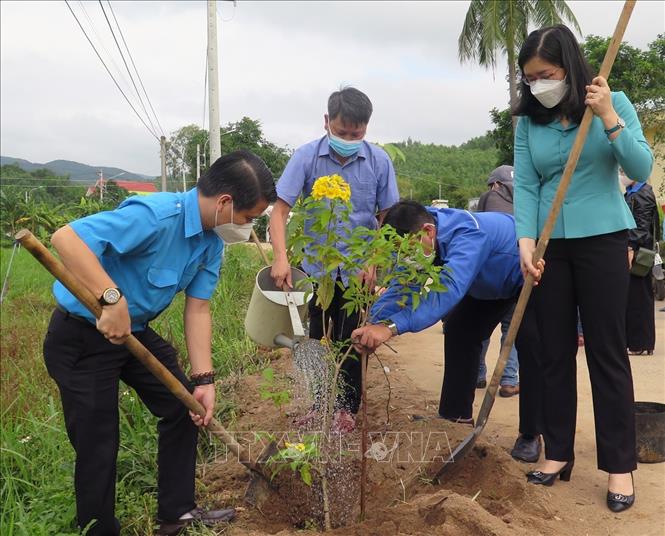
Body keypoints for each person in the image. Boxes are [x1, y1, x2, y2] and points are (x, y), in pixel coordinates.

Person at [44, 151, 276, 535]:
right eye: (248, 218)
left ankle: (176, 512)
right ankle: (98, 529)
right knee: (99, 440)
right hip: (81, 336)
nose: (247, 227)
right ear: (224, 202)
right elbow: (65, 238)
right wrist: (111, 297)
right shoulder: (155, 216)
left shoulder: (211, 244)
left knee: (185, 405)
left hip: (132, 333)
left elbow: (198, 309)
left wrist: (205, 380)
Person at [513, 25, 653, 512]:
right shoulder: (529, 123)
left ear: (568, 67)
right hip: (551, 246)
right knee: (552, 351)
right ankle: (558, 453)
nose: (538, 85)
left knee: (606, 352)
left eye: (545, 75)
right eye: (530, 79)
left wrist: (609, 116)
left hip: (603, 240)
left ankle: (619, 464)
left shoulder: (611, 101)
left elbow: (640, 167)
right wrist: (525, 246)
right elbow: (527, 187)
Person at [351, 200, 544, 463]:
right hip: (486, 282)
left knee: (531, 345)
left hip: (526, 272)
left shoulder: (469, 236)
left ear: (429, 232)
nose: (405, 257)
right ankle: (456, 417)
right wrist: (372, 322)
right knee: (460, 331)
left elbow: (446, 295)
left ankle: (531, 434)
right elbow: (402, 285)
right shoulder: (422, 234)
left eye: (406, 250)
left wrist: (389, 328)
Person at [269, 86, 399, 431]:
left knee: (350, 340)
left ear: (366, 129)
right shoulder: (306, 157)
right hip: (314, 272)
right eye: (342, 132)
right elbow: (279, 212)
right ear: (327, 122)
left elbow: (388, 219)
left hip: (357, 274)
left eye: (356, 134)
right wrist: (281, 258)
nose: (348, 139)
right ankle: (317, 404)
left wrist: (373, 262)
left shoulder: (379, 161)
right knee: (313, 340)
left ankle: (345, 409)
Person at [475, 165, 520, 397]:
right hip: (517, 272)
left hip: (490, 274)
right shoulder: (526, 198)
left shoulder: (488, 197)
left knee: (481, 328)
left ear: (496, 184)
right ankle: (509, 380)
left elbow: (477, 231)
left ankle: (478, 374)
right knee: (511, 330)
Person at [621, 168, 659, 355]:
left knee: (639, 298)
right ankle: (639, 342)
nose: (621, 175)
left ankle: (640, 343)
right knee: (636, 297)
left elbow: (641, 226)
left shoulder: (643, 194)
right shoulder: (634, 193)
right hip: (638, 251)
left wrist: (630, 247)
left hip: (639, 253)